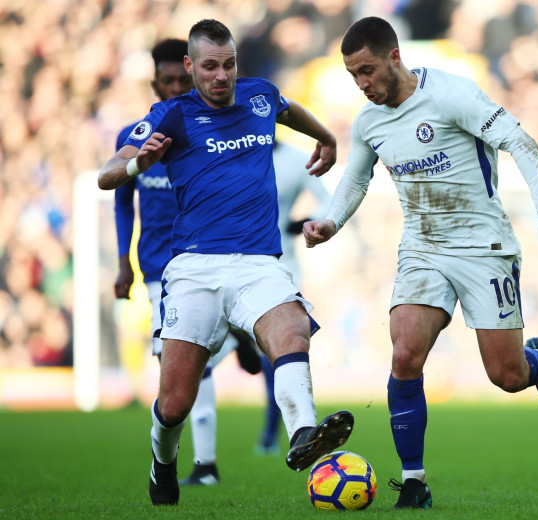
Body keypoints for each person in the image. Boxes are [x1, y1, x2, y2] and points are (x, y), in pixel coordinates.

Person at [303, 16, 538, 509]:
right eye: (353, 76)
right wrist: (330, 222)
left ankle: (537, 360)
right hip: (422, 249)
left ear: (394, 57)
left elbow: (518, 139)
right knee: (404, 355)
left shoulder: (452, 94)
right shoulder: (369, 123)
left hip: (483, 246)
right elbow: (355, 179)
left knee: (507, 376)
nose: (363, 84)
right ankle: (414, 482)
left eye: (367, 70)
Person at [99, 19, 353, 506]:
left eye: (229, 64)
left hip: (258, 262)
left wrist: (326, 137)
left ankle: (303, 434)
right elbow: (107, 178)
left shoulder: (258, 96)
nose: (222, 76)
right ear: (191, 67)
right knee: (174, 404)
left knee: (292, 328)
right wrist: (139, 162)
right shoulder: (170, 115)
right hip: (194, 268)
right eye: (211, 67)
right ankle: (164, 462)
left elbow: (286, 108)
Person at [113, 38, 265, 488]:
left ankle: (205, 464)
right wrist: (123, 262)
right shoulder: (138, 136)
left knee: (181, 363)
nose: (177, 87)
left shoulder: (210, 129)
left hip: (206, 259)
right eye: (169, 82)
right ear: (156, 82)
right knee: (181, 364)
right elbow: (121, 203)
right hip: (159, 268)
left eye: (183, 80)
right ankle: (236, 343)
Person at [247, 140, 333, 456]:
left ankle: (278, 431)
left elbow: (328, 200)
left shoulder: (297, 159)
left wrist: (305, 222)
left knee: (281, 350)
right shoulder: (224, 151)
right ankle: (242, 346)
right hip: (227, 264)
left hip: (281, 264)